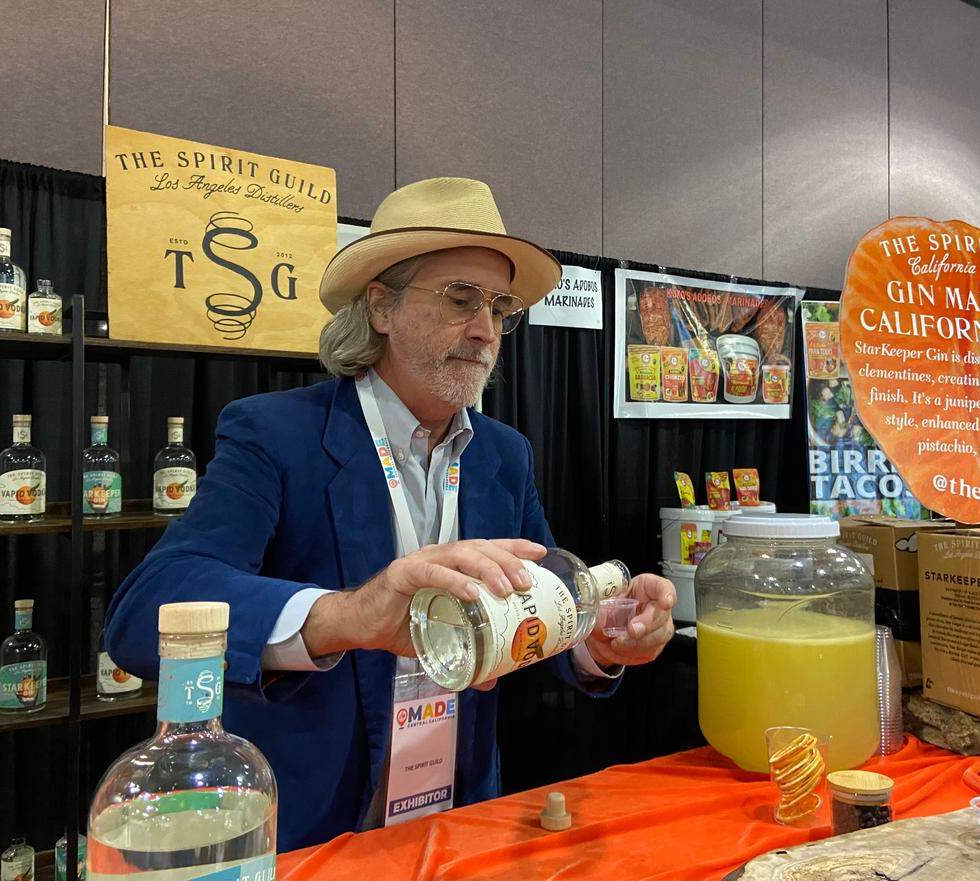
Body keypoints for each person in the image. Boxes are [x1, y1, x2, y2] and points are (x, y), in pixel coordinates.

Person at [105, 177, 676, 850]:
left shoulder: (503, 455)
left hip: (457, 822)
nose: (485, 330)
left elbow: (540, 599)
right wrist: (350, 616)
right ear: (381, 305)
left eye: (500, 309)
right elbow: (145, 613)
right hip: (315, 830)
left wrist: (596, 636)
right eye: (460, 299)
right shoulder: (277, 435)